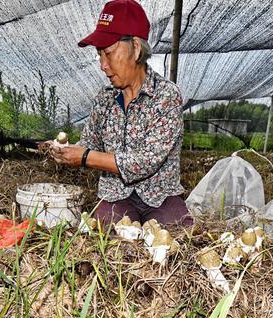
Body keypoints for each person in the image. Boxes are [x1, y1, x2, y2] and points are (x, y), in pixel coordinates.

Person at [47, 0, 192, 227]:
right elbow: (89, 142)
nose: (103, 65)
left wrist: (84, 157)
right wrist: (66, 150)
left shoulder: (165, 96)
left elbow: (145, 161)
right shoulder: (105, 99)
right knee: (109, 243)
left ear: (135, 48)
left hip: (161, 197)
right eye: (99, 55)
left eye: (109, 53)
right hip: (116, 194)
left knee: (175, 242)